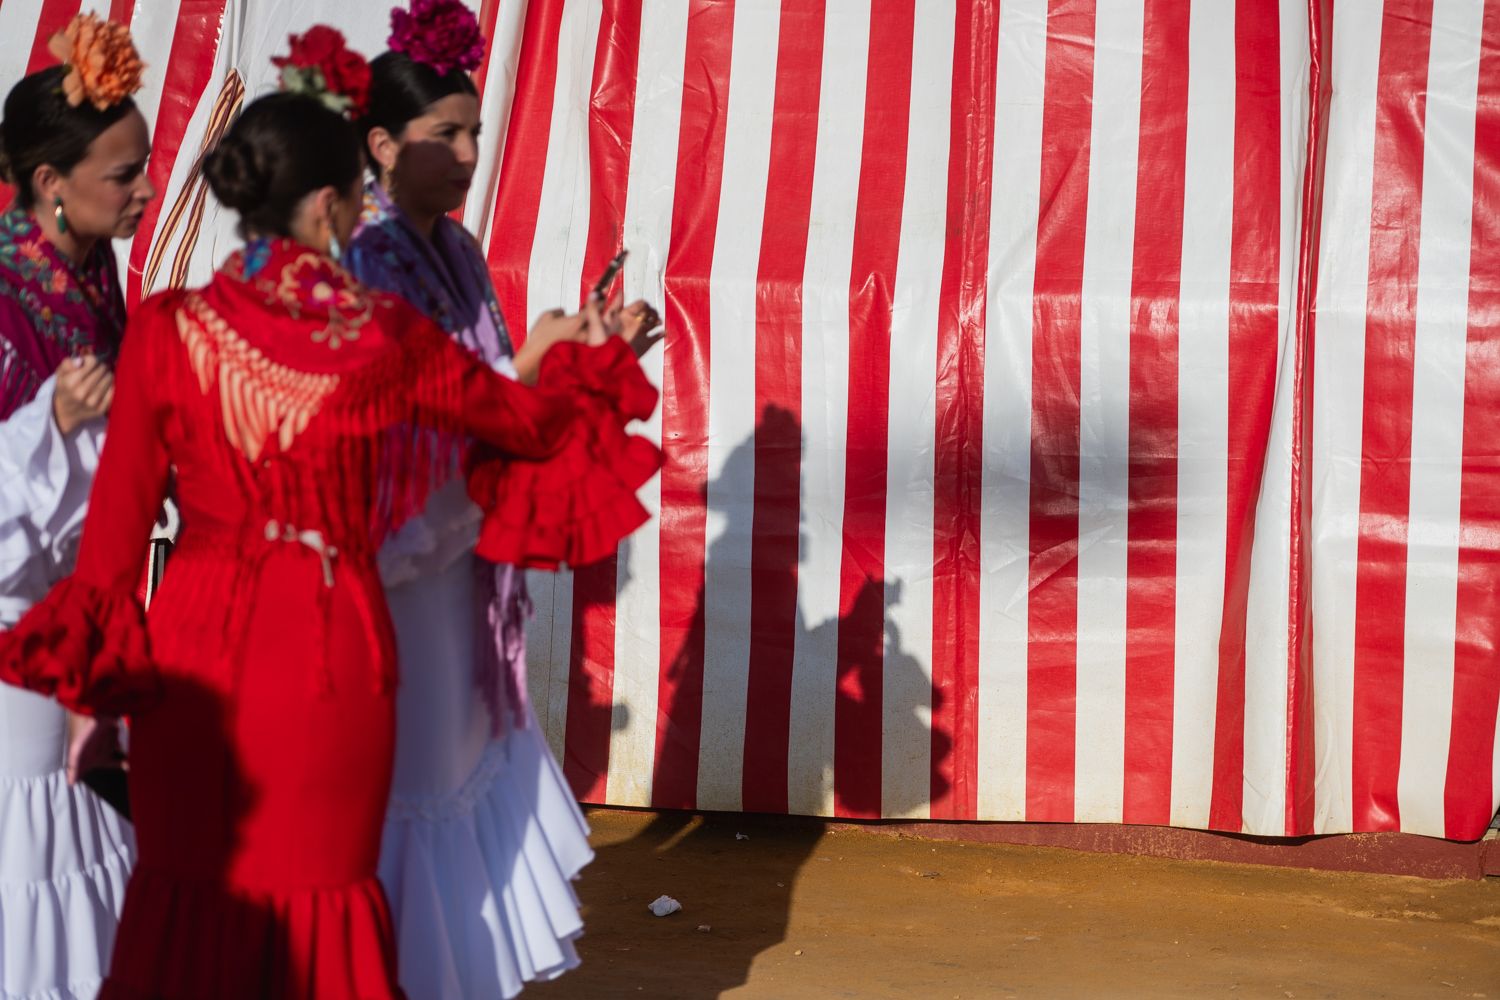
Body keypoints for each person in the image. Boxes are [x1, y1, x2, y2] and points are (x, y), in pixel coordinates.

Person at [0, 27, 658, 998]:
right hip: (328, 660)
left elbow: (110, 557)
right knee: (324, 905)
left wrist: (96, 708)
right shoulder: (386, 335)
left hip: (195, 665)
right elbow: (526, 422)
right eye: (357, 191)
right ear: (327, 204)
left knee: (189, 902)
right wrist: (585, 352)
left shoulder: (168, 330)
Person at [345, 4, 661, 995]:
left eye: (477, 130)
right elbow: (412, 411)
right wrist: (539, 355)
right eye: (448, 133)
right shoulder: (362, 255)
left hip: (460, 557)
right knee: (417, 791)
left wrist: (588, 349)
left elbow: (494, 395)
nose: (471, 152)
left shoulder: (459, 249)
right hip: (402, 560)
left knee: (457, 776)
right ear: (382, 144)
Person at [0, 15, 152, 999]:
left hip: (70, 617)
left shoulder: (96, 282)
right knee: (28, 853)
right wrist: (44, 424)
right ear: (50, 184)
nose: (142, 189)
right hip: (10, 628)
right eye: (121, 173)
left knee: (77, 835)